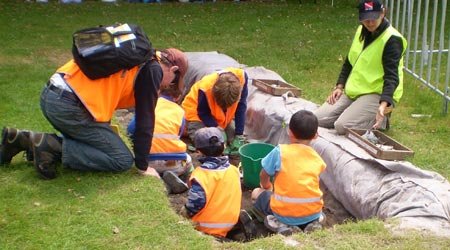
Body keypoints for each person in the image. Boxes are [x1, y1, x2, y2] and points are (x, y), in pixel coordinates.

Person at [0, 48, 188, 180]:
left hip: (52, 94)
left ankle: (22, 140)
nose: (166, 87)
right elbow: (145, 122)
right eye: (172, 83)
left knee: (99, 142)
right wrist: (142, 166)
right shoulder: (153, 70)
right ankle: (49, 146)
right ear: (173, 70)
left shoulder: (139, 57)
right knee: (121, 159)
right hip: (68, 106)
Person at [313, 0, 407, 135]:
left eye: (373, 18)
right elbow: (349, 61)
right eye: (365, 19)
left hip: (377, 93)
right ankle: (355, 110)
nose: (369, 23)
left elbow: (392, 76)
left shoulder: (392, 39)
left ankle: (382, 120)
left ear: (383, 13)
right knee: (316, 119)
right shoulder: (361, 31)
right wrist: (339, 86)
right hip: (356, 90)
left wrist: (384, 103)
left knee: (341, 126)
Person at [251, 110, 327, 236]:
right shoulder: (317, 158)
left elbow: (263, 175)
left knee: (256, 193)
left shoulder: (280, 152)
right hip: (312, 212)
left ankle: (281, 223)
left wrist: (266, 187)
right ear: (315, 136)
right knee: (317, 213)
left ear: (289, 132)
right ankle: (311, 223)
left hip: (283, 212)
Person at [127, 61, 193, 193]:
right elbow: (179, 134)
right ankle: (183, 178)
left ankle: (162, 184)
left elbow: (131, 130)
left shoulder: (148, 104)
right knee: (189, 160)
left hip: (148, 160)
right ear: (177, 97)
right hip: (175, 161)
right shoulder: (179, 111)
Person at [180, 127, 242, 238]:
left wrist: (185, 211)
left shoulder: (200, 175)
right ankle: (234, 231)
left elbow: (195, 205)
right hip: (231, 221)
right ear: (224, 147)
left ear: (198, 151)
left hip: (206, 226)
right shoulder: (234, 170)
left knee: (183, 211)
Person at [181, 68, 248, 154]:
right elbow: (203, 112)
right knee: (207, 143)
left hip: (222, 116)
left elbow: (241, 107)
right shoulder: (205, 88)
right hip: (197, 114)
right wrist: (217, 128)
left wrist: (239, 134)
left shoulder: (242, 78)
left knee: (233, 139)